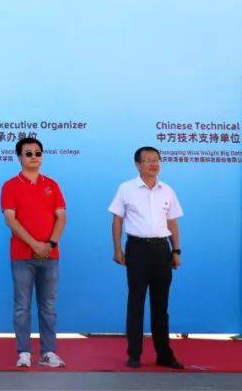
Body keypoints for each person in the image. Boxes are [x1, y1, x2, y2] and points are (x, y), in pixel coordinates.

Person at [109, 146, 184, 369]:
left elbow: (172, 222)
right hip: (137, 248)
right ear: (138, 164)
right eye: (148, 160)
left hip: (162, 250)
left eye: (157, 159)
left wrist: (176, 250)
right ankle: (134, 354)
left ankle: (164, 354)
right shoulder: (126, 188)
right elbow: (117, 220)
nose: (154, 164)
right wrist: (117, 249)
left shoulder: (167, 190)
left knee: (161, 304)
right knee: (136, 303)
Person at [0, 137, 66, 368]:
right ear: (20, 157)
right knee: (22, 307)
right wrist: (35, 245)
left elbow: (61, 217)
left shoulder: (52, 184)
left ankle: (48, 352)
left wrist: (50, 244)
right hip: (22, 255)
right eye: (28, 153)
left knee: (48, 307)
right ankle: (24, 353)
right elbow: (10, 219)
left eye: (38, 153)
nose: (34, 157)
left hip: (50, 255)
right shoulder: (10, 185)